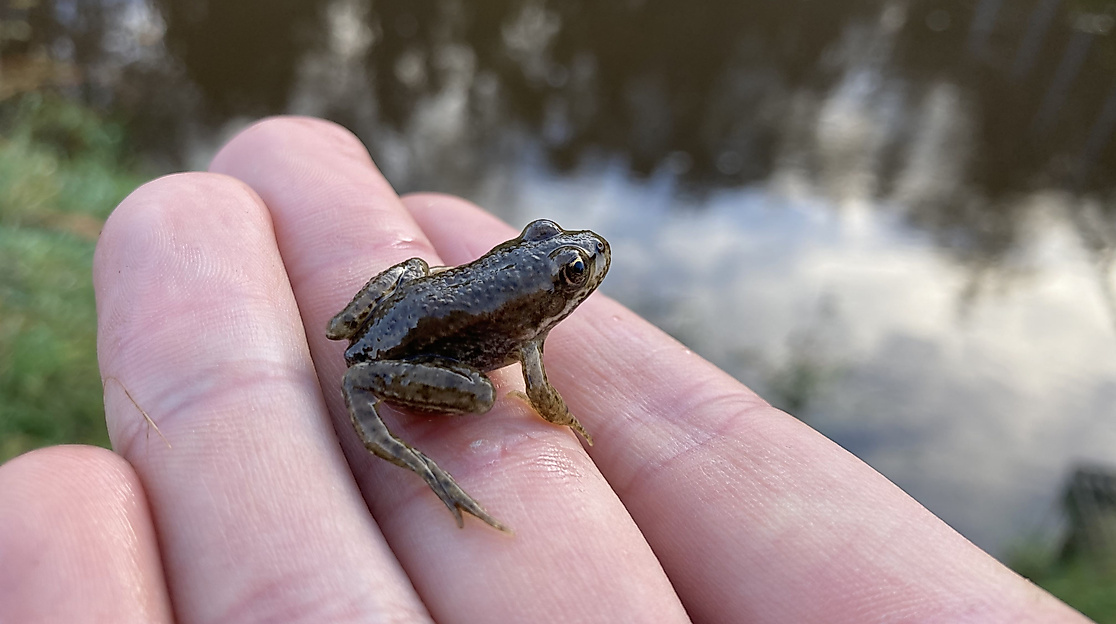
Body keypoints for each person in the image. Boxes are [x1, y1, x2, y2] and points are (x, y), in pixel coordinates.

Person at [0, 118, 1089, 623]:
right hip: (414, 358)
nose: (581, 266)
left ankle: (375, 373)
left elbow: (460, 309)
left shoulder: (516, 301)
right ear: (555, 289)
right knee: (483, 394)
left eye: (563, 259)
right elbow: (534, 379)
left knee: (415, 269)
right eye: (567, 263)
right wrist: (545, 423)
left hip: (397, 312)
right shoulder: (525, 333)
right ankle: (394, 420)